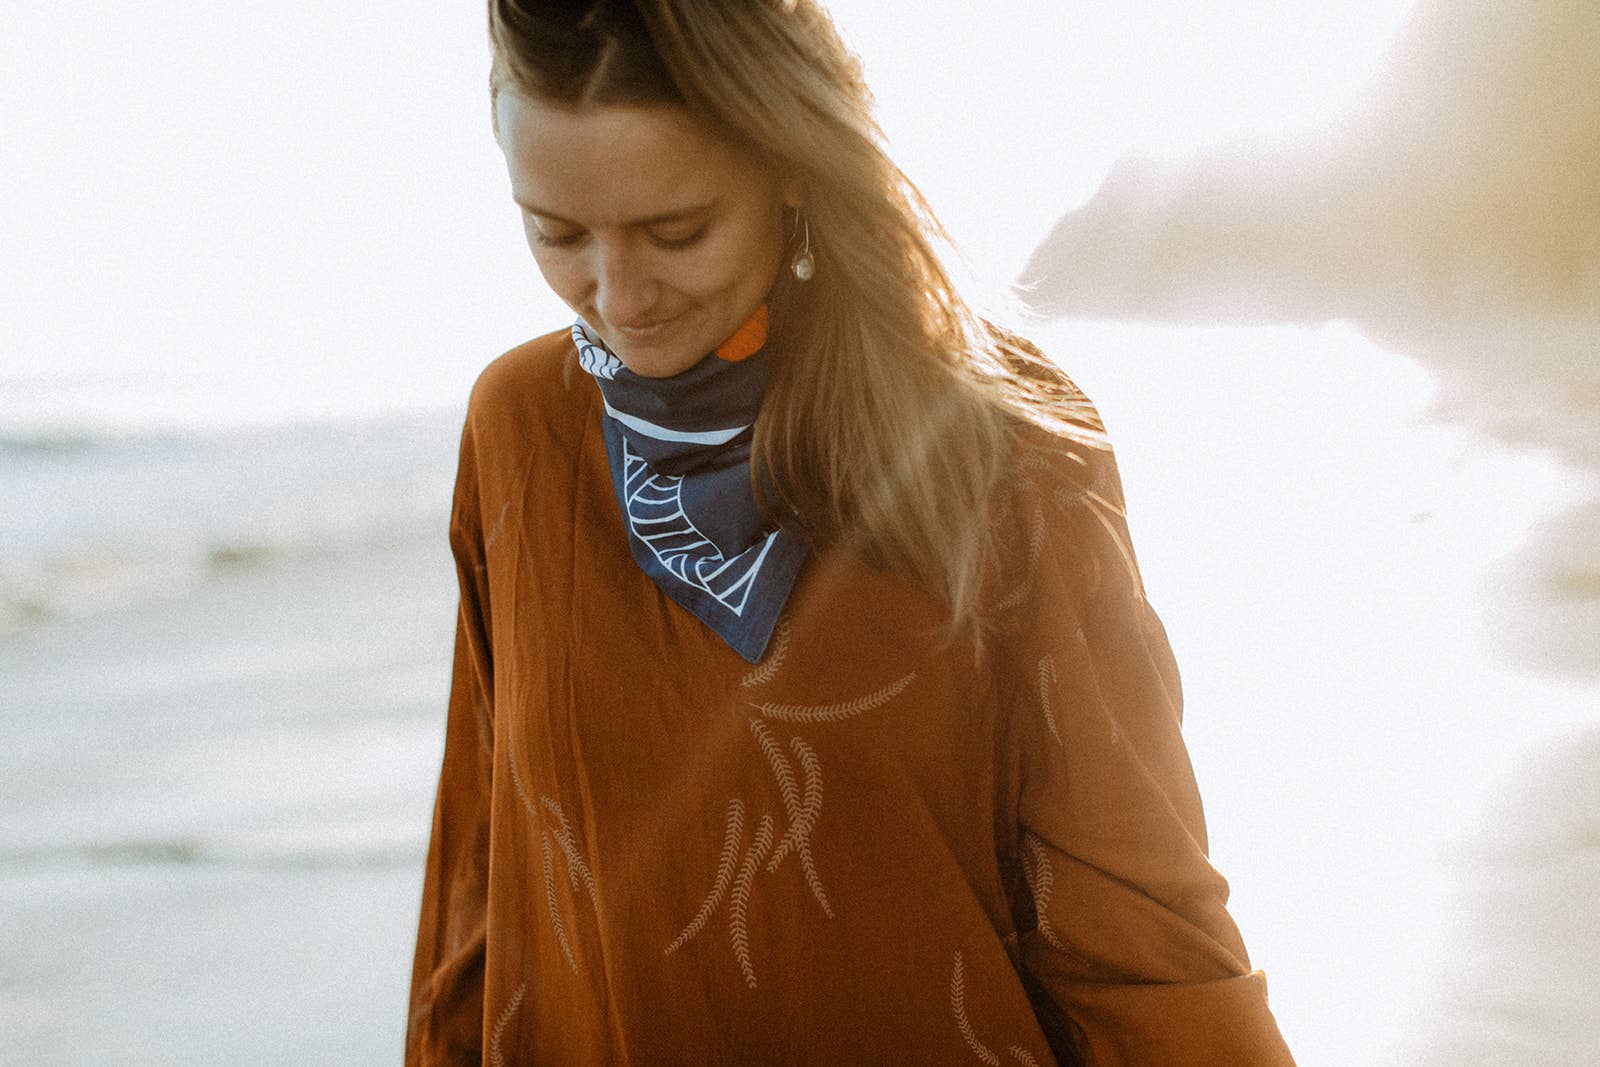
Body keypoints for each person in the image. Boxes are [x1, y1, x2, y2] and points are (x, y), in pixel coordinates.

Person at [408, 2, 1296, 1064]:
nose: (621, 295)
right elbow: (481, 885)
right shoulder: (518, 429)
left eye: (677, 232)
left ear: (790, 168)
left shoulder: (1001, 441)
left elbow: (1137, 907)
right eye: (557, 233)